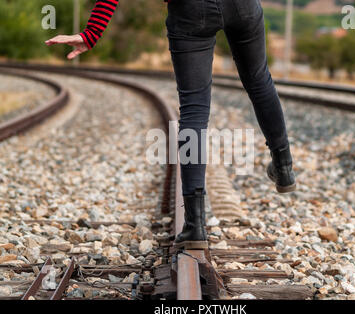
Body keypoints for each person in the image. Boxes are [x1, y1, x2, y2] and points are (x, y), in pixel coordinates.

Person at [46, 0, 296, 250]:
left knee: (194, 108)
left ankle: (195, 224)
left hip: (191, 11)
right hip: (242, 6)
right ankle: (283, 166)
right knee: (259, 82)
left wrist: (91, 34)